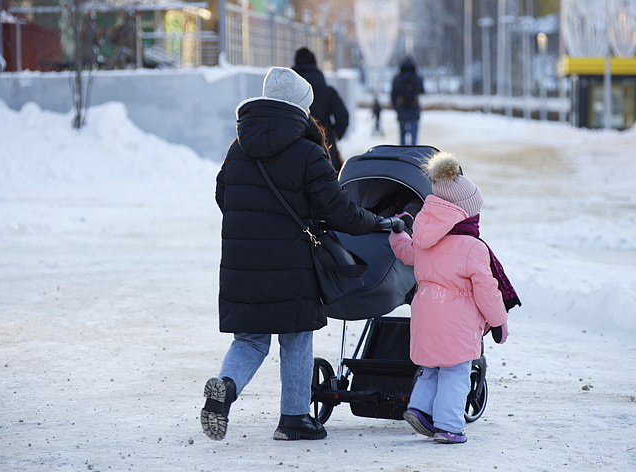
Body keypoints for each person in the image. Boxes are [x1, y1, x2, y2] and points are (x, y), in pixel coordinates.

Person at [202, 67, 400, 442]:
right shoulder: (308, 152)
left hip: (241, 264)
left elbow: (223, 197)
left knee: (250, 340)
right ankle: (293, 419)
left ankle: (225, 388)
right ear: (299, 108)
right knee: (296, 337)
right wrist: (377, 222)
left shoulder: (238, 148)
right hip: (291, 265)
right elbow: (339, 211)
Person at [388, 152, 518, 444]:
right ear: (464, 213)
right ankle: (448, 426)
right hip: (457, 324)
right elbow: (487, 292)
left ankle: (420, 409)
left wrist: (397, 234)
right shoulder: (473, 248)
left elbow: (405, 252)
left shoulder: (424, 241)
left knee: (432, 368)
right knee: (456, 372)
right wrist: (499, 322)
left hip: (425, 316)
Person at [292, 47, 350, 173]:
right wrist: (332, 134)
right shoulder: (327, 91)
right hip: (325, 147)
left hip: (295, 149)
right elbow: (343, 117)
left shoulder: (289, 91)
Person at [391, 55, 425, 146]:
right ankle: (413, 151)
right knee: (414, 137)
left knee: (402, 135)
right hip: (414, 108)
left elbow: (393, 95)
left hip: (402, 109)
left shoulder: (398, 78)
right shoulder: (417, 78)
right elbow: (422, 91)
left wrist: (396, 108)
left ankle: (403, 152)